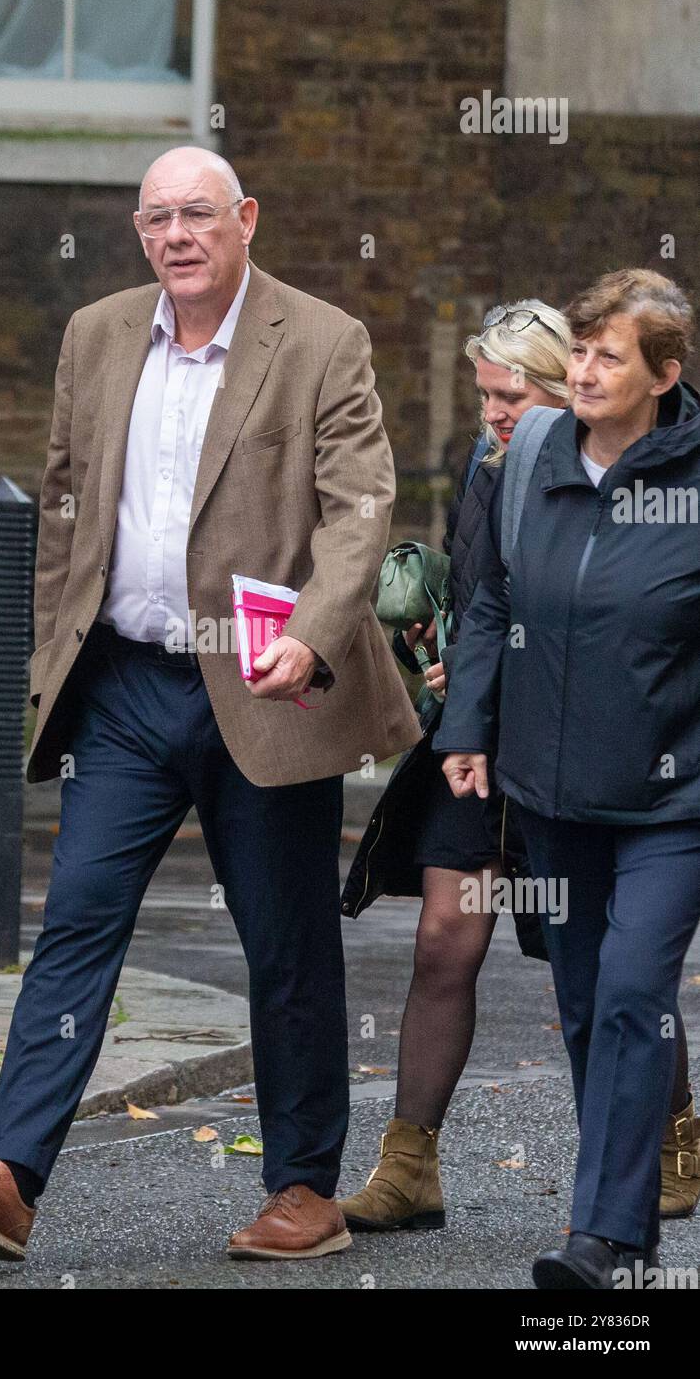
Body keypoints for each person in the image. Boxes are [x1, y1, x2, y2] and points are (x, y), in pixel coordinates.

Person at [0, 145, 421, 1263]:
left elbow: (358, 508)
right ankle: (6, 1176)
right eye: (155, 220)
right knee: (77, 922)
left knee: (283, 946)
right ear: (138, 234)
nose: (176, 236)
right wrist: (57, 636)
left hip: (260, 678)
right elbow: (59, 496)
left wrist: (312, 633)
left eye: (196, 214)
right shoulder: (95, 333)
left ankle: (301, 1188)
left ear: (244, 220)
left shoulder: (321, 339)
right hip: (128, 688)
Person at [436, 269, 700, 1288]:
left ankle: (594, 1236)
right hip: (550, 790)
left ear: (662, 375)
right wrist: (467, 723)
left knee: (635, 990)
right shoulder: (536, 449)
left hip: (673, 799)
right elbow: (491, 589)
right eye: (579, 351)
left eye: (608, 356)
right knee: (587, 1003)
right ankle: (623, 1230)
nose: (583, 371)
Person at [338, 300, 571, 1231]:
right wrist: (454, 672)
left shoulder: (613, 472)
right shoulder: (488, 464)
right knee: (444, 938)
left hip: (572, 748)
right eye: (484, 395)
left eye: (510, 395)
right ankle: (409, 1166)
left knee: (593, 955)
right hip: (477, 746)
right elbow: (482, 598)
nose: (494, 414)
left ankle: (673, 1143)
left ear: (562, 386)